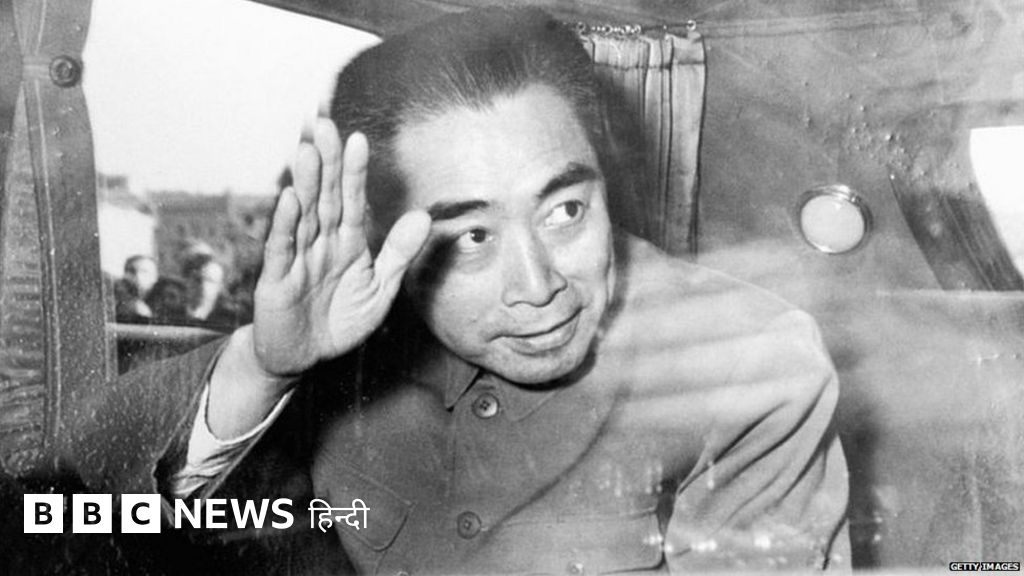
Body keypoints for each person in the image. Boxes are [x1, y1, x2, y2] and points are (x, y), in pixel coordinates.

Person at [77, 7, 849, 573]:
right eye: (472, 236)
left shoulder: (748, 359)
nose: (539, 288)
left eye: (565, 210)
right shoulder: (346, 331)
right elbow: (81, 503)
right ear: (390, 240)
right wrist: (263, 365)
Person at [114, 254, 158, 323]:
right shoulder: (115, 297)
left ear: (155, 277)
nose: (138, 276)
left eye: (144, 271)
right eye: (132, 271)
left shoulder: (168, 300)